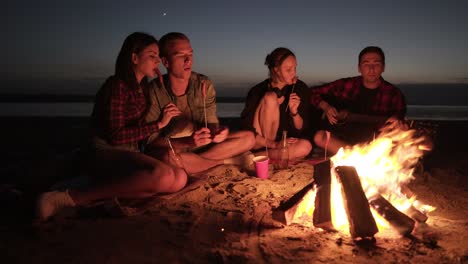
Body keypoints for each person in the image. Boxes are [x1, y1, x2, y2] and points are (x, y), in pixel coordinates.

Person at [36, 32, 187, 221]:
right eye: (152, 56)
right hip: (105, 150)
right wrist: (158, 124)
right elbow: (116, 136)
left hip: (128, 151)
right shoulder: (117, 85)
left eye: (158, 56)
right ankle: (67, 197)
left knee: (180, 177)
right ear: (134, 57)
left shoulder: (143, 90)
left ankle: (103, 191)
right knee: (163, 176)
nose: (157, 61)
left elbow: (141, 132)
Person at [145, 32, 255, 174]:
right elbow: (151, 141)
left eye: (190, 54)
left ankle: (195, 163)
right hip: (176, 147)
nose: (188, 60)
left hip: (202, 147)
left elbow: (211, 124)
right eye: (180, 55)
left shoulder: (203, 84)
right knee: (167, 158)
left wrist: (219, 132)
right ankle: (223, 163)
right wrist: (187, 141)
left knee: (249, 138)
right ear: (165, 62)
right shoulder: (154, 91)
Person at [311, 46, 407, 155]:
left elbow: (399, 120)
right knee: (319, 137)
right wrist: (325, 106)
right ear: (359, 68)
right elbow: (310, 92)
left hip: (375, 144)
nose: (371, 69)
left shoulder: (394, 94)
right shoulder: (346, 85)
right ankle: (358, 158)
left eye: (376, 64)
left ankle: (361, 159)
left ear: (383, 67)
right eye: (366, 64)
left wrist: (397, 123)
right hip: (343, 142)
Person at [240, 47, 313, 161]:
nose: (293, 73)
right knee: (270, 97)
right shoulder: (257, 90)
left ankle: (255, 157)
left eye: (295, 68)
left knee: (305, 147)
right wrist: (274, 144)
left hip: (282, 144)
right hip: (261, 142)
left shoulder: (300, 88)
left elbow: (300, 129)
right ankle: (263, 154)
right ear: (276, 70)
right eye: (288, 69)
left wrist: (294, 113)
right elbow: (248, 129)